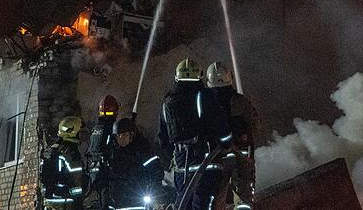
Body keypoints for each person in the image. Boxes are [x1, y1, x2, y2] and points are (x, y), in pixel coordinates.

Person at [159, 58, 232, 210]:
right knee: (204, 206)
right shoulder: (205, 96)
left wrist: (176, 156)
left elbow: (163, 139)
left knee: (183, 205)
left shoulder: (167, 103)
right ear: (199, 76)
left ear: (177, 77)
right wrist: (226, 143)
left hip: (181, 169)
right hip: (207, 164)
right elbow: (222, 127)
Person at [206, 62, 258, 208]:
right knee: (244, 199)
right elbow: (253, 124)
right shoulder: (240, 100)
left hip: (216, 158)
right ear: (230, 78)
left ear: (209, 81)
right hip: (241, 156)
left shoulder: (206, 103)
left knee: (216, 200)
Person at [107, 118, 165, 209]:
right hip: (119, 201)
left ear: (132, 134)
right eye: (118, 136)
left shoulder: (142, 150)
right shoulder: (114, 152)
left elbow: (156, 172)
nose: (120, 139)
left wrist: (153, 191)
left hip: (138, 199)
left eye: (124, 135)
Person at [41, 116, 87, 209]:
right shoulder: (71, 152)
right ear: (72, 132)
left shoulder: (51, 150)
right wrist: (79, 202)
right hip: (65, 202)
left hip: (49, 201)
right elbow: (76, 179)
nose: (82, 135)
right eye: (80, 132)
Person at [87, 95, 119, 205]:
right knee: (107, 202)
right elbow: (114, 148)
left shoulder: (95, 129)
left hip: (94, 170)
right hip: (106, 171)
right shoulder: (110, 128)